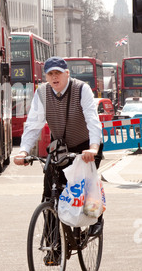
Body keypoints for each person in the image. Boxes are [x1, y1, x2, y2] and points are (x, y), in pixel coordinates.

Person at [14, 56, 104, 236]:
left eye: (58, 73)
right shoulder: (42, 93)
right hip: (60, 149)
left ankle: (96, 221)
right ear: (45, 77)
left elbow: (92, 121)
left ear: (67, 74)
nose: (55, 77)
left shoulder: (81, 89)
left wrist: (93, 148)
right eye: (50, 74)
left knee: (84, 186)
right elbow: (33, 125)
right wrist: (23, 151)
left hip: (86, 145)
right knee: (50, 191)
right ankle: (52, 246)